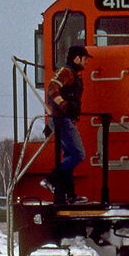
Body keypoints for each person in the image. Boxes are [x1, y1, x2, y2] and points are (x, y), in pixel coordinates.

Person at [44, 46, 89, 204]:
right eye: (84, 59)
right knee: (78, 154)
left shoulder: (72, 74)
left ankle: (70, 195)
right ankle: (50, 179)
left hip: (61, 120)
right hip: (62, 120)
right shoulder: (67, 72)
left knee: (70, 156)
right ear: (77, 59)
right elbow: (52, 88)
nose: (85, 62)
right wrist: (63, 105)